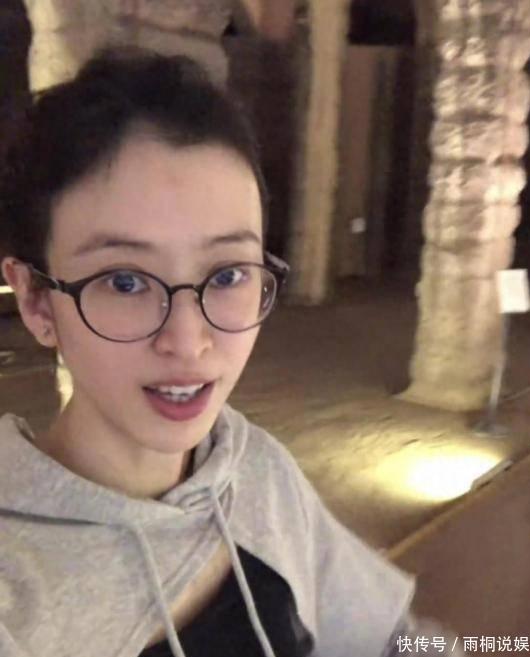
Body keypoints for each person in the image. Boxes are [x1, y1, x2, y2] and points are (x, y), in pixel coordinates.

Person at [0, 47, 462, 657]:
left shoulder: (251, 468)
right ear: (36, 300)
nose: (189, 342)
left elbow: (389, 639)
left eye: (226, 275)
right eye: (125, 281)